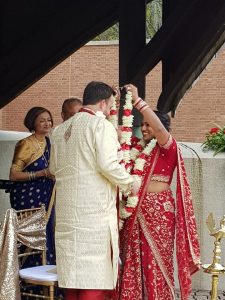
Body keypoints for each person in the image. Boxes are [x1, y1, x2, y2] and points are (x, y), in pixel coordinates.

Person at [49, 81, 139, 300]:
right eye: (110, 104)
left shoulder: (59, 130)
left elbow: (52, 169)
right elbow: (108, 165)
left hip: (67, 218)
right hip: (93, 216)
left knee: (72, 277)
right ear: (102, 102)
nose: (110, 109)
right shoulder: (101, 126)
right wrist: (130, 182)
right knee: (94, 277)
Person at [118, 85, 201, 300]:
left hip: (159, 215)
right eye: (142, 124)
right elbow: (118, 131)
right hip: (134, 212)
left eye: (149, 125)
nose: (144, 128)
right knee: (132, 261)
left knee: (156, 262)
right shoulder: (135, 147)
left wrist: (138, 102)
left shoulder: (168, 148)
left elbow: (160, 130)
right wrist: (114, 103)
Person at [9, 107, 55, 265]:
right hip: (28, 199)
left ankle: (46, 280)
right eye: (42, 120)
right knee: (33, 238)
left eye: (49, 120)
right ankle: (31, 280)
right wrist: (41, 173)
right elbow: (13, 175)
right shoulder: (25, 144)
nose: (47, 123)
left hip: (46, 196)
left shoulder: (49, 142)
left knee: (48, 235)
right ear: (32, 123)